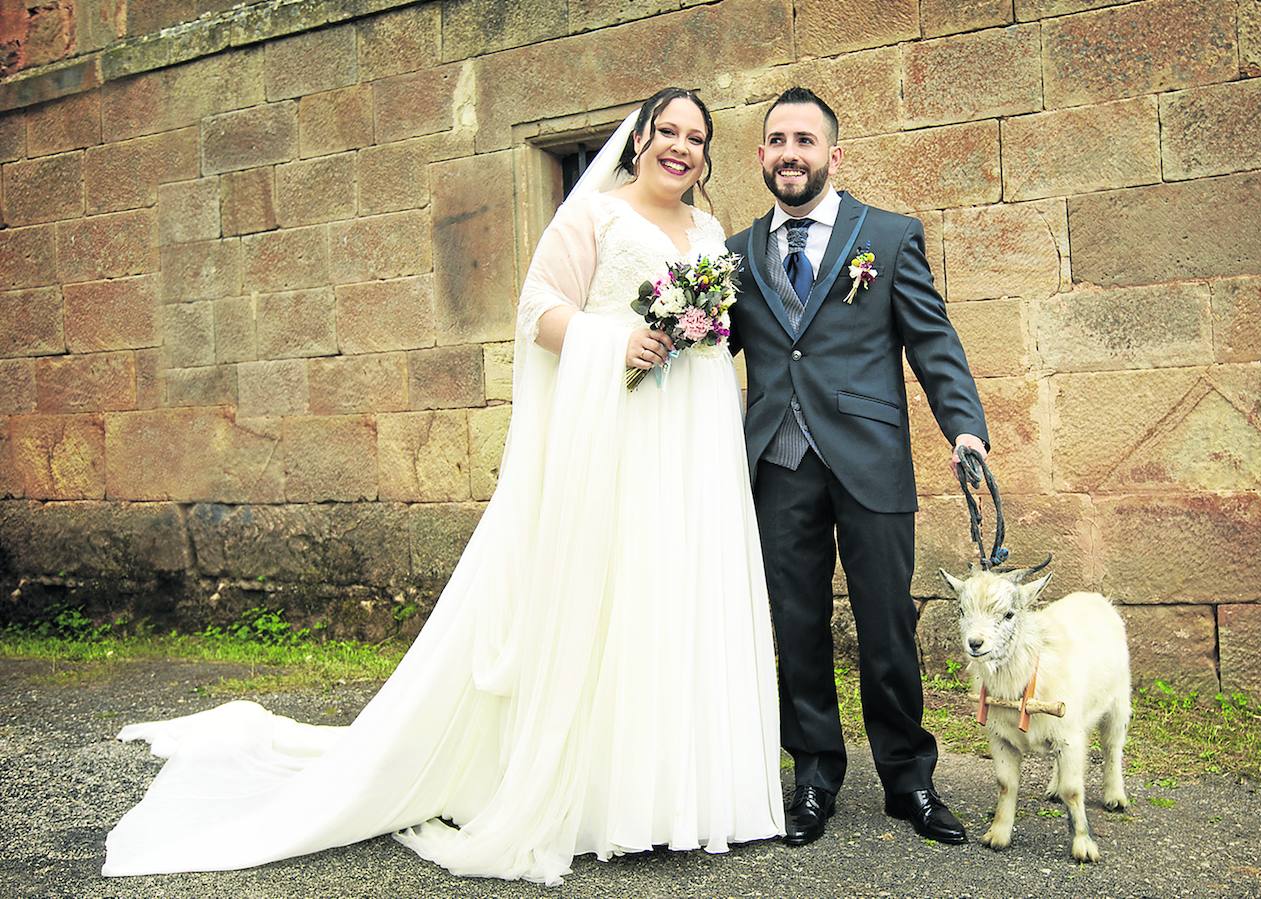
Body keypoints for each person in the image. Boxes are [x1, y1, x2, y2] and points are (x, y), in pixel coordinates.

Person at [102, 87, 784, 887]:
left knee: (678, 595)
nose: (680, 146)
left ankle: (687, 792)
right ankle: (610, 798)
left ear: (707, 155)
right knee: (613, 596)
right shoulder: (593, 215)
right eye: (665, 131)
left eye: (695, 138)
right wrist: (617, 341)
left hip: (690, 442)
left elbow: (715, 330)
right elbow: (539, 310)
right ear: (637, 141)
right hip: (620, 439)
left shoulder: (707, 231)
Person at [724, 87, 990, 849]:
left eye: (805, 141)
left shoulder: (890, 235)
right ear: (762, 155)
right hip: (778, 462)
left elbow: (933, 342)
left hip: (871, 460)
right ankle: (813, 775)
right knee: (796, 624)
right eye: (776, 140)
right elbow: (714, 349)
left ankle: (908, 777)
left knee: (886, 626)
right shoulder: (738, 252)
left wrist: (964, 426)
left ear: (833, 155)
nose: (789, 153)